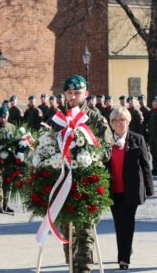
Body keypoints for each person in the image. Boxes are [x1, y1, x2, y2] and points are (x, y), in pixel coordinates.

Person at [52, 75, 113, 273]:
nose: (73, 96)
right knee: (66, 233)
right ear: (64, 95)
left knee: (85, 233)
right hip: (62, 185)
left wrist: (87, 154)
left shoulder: (95, 119)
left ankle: (84, 269)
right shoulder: (58, 120)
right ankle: (72, 268)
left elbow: (107, 150)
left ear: (85, 94)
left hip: (87, 184)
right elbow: (49, 147)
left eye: (77, 93)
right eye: (69, 93)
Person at [107, 106, 154, 270]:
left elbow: (145, 164)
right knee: (118, 224)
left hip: (131, 188)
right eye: (116, 120)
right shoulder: (106, 141)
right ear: (111, 123)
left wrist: (149, 188)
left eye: (123, 120)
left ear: (128, 121)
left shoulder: (137, 139)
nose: (119, 123)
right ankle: (126, 248)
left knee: (127, 222)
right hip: (112, 189)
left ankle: (123, 258)